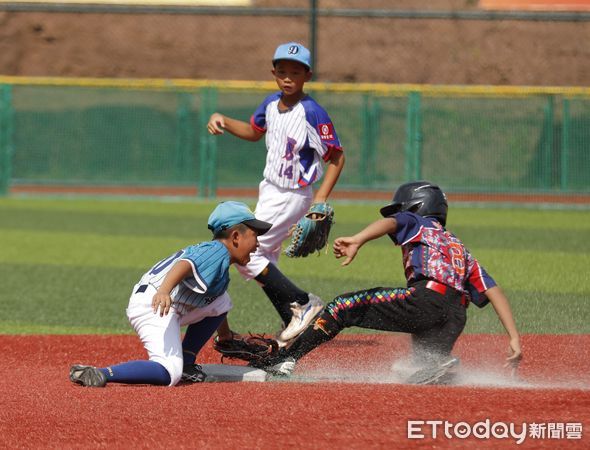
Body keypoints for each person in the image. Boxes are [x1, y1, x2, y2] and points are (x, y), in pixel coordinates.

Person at [254, 181, 522, 384]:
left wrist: (358, 239)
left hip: (426, 300)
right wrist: (513, 337)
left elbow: (392, 222)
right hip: (455, 315)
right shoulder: (458, 247)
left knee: (341, 307)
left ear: (417, 206)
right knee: (422, 366)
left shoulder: (416, 221)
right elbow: (492, 289)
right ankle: (442, 365)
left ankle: (286, 359)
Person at [206, 42, 345, 346]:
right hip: (269, 190)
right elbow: (255, 132)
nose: (287, 77)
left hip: (292, 194)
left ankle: (303, 303)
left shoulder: (312, 112)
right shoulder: (271, 104)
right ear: (273, 73)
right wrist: (224, 120)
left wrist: (321, 198)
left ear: (307, 75)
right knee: (263, 258)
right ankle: (292, 315)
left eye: (295, 71)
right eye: (282, 71)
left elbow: (336, 157)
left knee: (245, 253)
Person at [69, 201, 272, 387]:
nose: (257, 244)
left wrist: (225, 335)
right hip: (155, 305)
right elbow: (185, 264)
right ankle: (101, 373)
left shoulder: (219, 263)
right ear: (236, 236)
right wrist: (164, 291)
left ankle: (187, 362)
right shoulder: (216, 251)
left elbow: (217, 304)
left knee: (222, 301)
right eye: (255, 235)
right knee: (169, 371)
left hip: (164, 303)